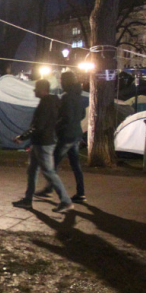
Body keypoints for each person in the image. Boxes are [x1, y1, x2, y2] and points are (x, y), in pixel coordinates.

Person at [12, 79, 72, 213]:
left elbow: (39, 126)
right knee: (32, 170)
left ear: (42, 90)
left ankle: (66, 201)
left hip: (43, 143)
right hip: (41, 141)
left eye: (36, 88)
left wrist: (22, 137)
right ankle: (27, 200)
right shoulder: (52, 102)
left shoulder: (46, 104)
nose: (34, 91)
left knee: (49, 172)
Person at [35, 71, 86, 202]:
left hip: (66, 135)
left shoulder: (66, 97)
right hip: (76, 134)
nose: (61, 83)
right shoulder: (79, 97)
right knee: (75, 164)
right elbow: (82, 116)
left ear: (66, 82)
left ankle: (48, 190)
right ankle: (81, 193)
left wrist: (56, 125)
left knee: (53, 163)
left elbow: (65, 117)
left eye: (62, 80)